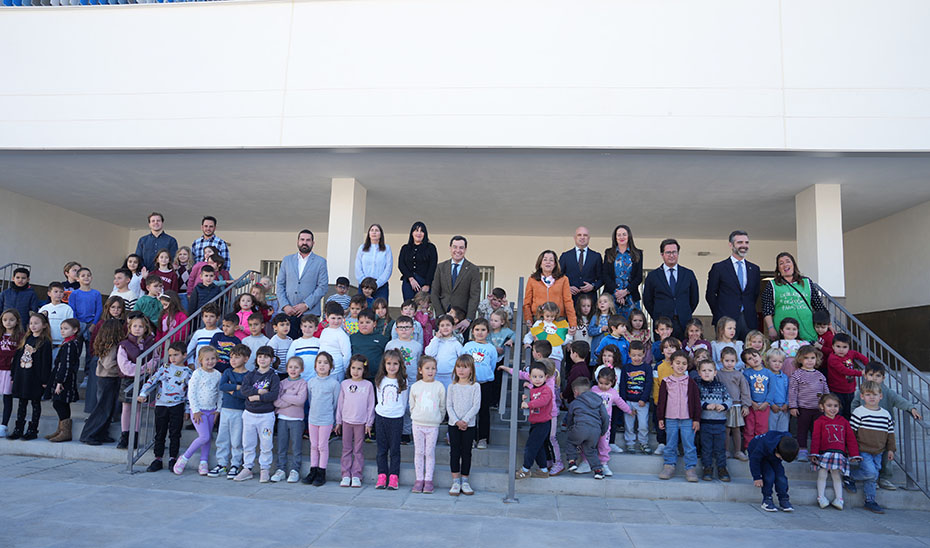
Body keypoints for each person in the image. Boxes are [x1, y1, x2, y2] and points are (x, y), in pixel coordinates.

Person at [851, 361, 922, 490]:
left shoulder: (886, 392)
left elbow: (899, 400)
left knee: (885, 456)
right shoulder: (862, 392)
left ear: (883, 378)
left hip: (883, 429)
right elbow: (854, 405)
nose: (874, 378)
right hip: (866, 429)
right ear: (865, 376)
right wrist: (856, 416)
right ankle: (871, 477)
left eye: (878, 376)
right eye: (871, 375)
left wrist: (911, 408)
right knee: (868, 456)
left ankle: (884, 478)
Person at [138, 341, 191, 472]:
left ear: (184, 355)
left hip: (177, 405)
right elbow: (152, 380)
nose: (172, 358)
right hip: (161, 405)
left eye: (176, 355)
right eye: (170, 355)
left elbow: (191, 393)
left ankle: (173, 458)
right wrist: (143, 392)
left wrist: (187, 409)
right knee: (160, 432)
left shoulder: (188, 372)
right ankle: (158, 459)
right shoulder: (164, 368)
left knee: (175, 433)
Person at [234, 346, 281, 483]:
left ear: (271, 359)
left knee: (266, 443)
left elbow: (273, 394)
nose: (262, 359)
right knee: (248, 442)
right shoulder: (251, 375)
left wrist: (256, 398)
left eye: (266, 357)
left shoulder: (273, 376)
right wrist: (259, 392)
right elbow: (244, 390)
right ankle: (247, 468)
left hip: (266, 416)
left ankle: (264, 469)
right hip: (249, 414)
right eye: (260, 356)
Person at [848, 381, 896, 514]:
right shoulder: (859, 411)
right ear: (862, 396)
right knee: (871, 473)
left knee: (873, 476)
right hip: (863, 450)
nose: (872, 397)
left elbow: (890, 433)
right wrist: (851, 450)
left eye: (875, 394)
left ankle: (870, 500)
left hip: (879, 451)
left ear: (881, 396)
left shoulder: (885, 414)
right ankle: (850, 475)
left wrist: (891, 449)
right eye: (868, 395)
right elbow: (852, 432)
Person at [173, 346, 222, 476]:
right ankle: (184, 458)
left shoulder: (217, 374)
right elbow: (192, 392)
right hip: (199, 410)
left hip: (211, 410)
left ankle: (203, 462)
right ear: (200, 360)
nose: (210, 361)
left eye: (213, 358)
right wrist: (195, 410)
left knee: (208, 437)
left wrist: (218, 409)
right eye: (207, 359)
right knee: (204, 436)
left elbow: (220, 393)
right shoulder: (197, 373)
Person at [706, 230, 761, 340]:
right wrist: (720, 314)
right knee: (727, 354)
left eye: (746, 242)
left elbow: (754, 294)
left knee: (749, 353)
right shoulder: (719, 268)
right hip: (725, 321)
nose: (744, 246)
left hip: (748, 320)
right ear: (731, 245)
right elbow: (710, 295)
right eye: (740, 242)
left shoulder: (754, 269)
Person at [762, 251, 826, 343]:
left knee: (809, 356)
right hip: (784, 333)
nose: (785, 265)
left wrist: (828, 323)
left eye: (788, 261)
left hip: (807, 331)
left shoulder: (807, 282)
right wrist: (771, 328)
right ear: (778, 268)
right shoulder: (772, 285)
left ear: (793, 264)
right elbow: (767, 309)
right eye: (781, 263)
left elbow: (818, 305)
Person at [657, 350, 701, 481]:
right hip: (670, 418)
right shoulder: (666, 381)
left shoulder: (691, 382)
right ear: (671, 364)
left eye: (684, 363)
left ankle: (690, 468)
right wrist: (660, 418)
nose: (680, 366)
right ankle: (669, 466)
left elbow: (696, 402)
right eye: (677, 363)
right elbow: (661, 402)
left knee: (689, 444)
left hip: (688, 419)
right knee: (670, 443)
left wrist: (696, 419)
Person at [642, 239, 699, 340]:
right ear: (662, 254)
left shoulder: (688, 274)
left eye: (674, 252)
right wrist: (658, 315)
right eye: (668, 252)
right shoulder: (653, 276)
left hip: (684, 323)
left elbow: (694, 299)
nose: (671, 255)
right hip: (662, 324)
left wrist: (684, 312)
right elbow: (647, 300)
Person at [810, 393, 859, 510]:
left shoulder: (843, 421)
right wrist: (814, 453)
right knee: (822, 474)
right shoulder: (819, 421)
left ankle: (839, 499)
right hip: (824, 453)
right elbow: (816, 438)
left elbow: (850, 439)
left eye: (835, 406)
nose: (833, 409)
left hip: (838, 453)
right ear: (822, 407)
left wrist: (854, 454)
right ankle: (821, 497)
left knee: (836, 475)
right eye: (829, 405)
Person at [277, 230, 329, 339]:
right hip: (288, 313)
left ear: (313, 243)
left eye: (308, 240)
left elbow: (322, 286)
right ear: (297, 241)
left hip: (309, 313)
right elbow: (280, 284)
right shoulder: (287, 260)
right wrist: (285, 305)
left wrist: (306, 305)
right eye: (302, 239)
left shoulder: (320, 262)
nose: (305, 242)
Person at [8, 313, 52, 441]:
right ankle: (18, 429)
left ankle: (32, 429)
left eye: (36, 323)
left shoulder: (45, 342)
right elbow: (17, 358)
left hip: (35, 378)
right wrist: (13, 374)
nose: (33, 326)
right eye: (31, 323)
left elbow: (46, 363)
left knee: (35, 403)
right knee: (22, 403)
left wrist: (44, 380)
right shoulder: (26, 339)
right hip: (22, 376)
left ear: (44, 325)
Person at [79, 319, 123, 445]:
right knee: (102, 409)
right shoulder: (112, 346)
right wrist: (121, 367)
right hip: (108, 378)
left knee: (107, 409)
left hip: (106, 378)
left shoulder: (106, 344)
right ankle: (89, 435)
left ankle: (101, 434)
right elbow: (109, 364)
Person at [116, 314, 156, 450]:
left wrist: (148, 368)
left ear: (145, 329)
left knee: (138, 408)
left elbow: (155, 359)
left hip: (143, 380)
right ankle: (124, 435)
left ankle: (135, 435)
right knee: (126, 407)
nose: (137, 329)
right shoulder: (124, 344)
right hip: (128, 380)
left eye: (140, 326)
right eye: (135, 326)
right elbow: (125, 366)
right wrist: (143, 368)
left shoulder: (151, 343)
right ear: (129, 327)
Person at [336, 356, 375, 488]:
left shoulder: (368, 385)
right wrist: (338, 421)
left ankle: (356, 475)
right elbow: (340, 404)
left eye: (359, 368)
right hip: (346, 421)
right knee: (346, 449)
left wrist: (369, 423)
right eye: (353, 368)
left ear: (364, 370)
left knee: (358, 450)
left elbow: (371, 405)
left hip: (361, 422)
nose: (356, 371)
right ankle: (345, 474)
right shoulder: (344, 384)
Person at [408, 355, 445, 494]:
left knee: (429, 452)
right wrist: (415, 416)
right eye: (427, 368)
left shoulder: (439, 386)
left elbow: (442, 406)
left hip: (432, 425)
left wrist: (438, 419)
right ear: (420, 370)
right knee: (419, 452)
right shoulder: (416, 387)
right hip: (417, 424)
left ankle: (428, 480)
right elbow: (412, 405)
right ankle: (419, 479)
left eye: (433, 368)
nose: (430, 371)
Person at [212, 344, 249, 479]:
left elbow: (245, 393)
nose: (233, 360)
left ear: (245, 359)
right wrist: (237, 387)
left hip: (239, 411)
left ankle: (235, 464)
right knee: (222, 437)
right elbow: (222, 386)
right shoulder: (227, 372)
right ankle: (221, 464)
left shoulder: (248, 375)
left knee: (236, 439)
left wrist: (232, 390)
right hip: (225, 410)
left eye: (237, 357)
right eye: (231, 357)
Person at [385, 315, 423, 445]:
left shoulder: (417, 346)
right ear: (396, 330)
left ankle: (406, 432)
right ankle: (393, 432)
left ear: (412, 329)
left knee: (407, 407)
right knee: (395, 405)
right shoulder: (391, 344)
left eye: (407, 327)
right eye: (401, 328)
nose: (404, 330)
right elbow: (386, 362)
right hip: (394, 380)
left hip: (411, 380)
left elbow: (418, 363)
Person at [304, 352, 341, 486]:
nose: (322, 365)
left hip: (326, 419)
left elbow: (336, 403)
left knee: (322, 446)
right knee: (313, 445)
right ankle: (313, 470)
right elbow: (310, 399)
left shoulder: (334, 384)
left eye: (325, 363)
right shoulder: (312, 382)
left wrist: (335, 420)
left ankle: (321, 472)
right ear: (315, 365)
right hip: (313, 419)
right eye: (319, 362)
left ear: (330, 366)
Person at [788, 345, 829, 461]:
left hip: (818, 408)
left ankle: (816, 451)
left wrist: (826, 405)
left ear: (817, 359)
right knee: (802, 430)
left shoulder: (820, 375)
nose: (810, 361)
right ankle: (802, 450)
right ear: (800, 359)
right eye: (806, 358)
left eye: (812, 358)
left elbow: (825, 390)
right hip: (803, 408)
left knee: (817, 431)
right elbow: (792, 391)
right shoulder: (797, 374)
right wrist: (793, 406)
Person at [374, 349, 408, 490]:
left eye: (395, 364)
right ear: (384, 364)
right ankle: (382, 476)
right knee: (381, 449)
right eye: (389, 363)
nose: (392, 367)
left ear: (400, 365)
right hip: (381, 417)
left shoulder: (402, 381)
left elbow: (404, 402)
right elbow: (379, 399)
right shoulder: (380, 379)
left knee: (394, 449)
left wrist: (398, 413)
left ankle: (394, 477)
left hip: (396, 419)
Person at [447, 354, 481, 495]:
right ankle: (455, 481)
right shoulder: (452, 386)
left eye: (465, 367)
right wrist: (457, 421)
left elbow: (476, 405)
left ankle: (465, 481)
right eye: (459, 367)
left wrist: (465, 420)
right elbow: (449, 405)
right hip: (453, 424)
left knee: (466, 452)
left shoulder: (475, 386)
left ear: (471, 370)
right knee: (455, 451)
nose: (461, 370)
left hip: (469, 425)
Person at [565, 377, 610, 480]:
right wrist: (602, 431)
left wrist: (570, 428)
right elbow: (605, 417)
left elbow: (570, 418)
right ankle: (598, 471)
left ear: (576, 392)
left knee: (571, 442)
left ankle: (572, 462)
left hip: (580, 428)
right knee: (590, 451)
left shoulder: (574, 403)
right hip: (595, 431)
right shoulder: (599, 401)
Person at [43, 318, 81, 443]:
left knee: (59, 402)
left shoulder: (70, 345)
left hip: (65, 379)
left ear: (74, 330)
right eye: (61, 328)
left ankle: (65, 431)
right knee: (61, 403)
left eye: (66, 328)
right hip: (61, 376)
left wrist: (60, 382)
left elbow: (66, 364)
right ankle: (61, 429)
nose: (62, 331)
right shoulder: (67, 343)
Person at [431, 236, 481, 328]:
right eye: (455, 247)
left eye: (461, 247)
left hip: (462, 320)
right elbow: (434, 293)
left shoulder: (473, 270)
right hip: (442, 317)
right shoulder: (440, 267)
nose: (458, 250)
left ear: (465, 249)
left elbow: (474, 296)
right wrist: (441, 315)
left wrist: (469, 319)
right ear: (450, 248)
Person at [272, 356, 308, 484]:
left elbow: (300, 401)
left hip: (297, 420)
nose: (293, 370)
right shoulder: (282, 383)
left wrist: (285, 396)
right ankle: (281, 469)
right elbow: (276, 402)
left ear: (302, 369)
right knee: (282, 446)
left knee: (296, 447)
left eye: (296, 367)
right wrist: (292, 398)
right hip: (282, 418)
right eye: (290, 367)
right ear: (286, 369)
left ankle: (295, 470)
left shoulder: (303, 383)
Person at [462, 318, 496, 451]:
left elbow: (492, 365)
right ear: (472, 331)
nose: (480, 333)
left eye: (483, 330)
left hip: (484, 383)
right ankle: (470, 437)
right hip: (469, 383)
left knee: (483, 411)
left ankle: (483, 438)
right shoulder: (467, 346)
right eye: (477, 330)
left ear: (488, 332)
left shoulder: (490, 348)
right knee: (469, 411)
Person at [589, 368, 631, 475]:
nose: (603, 386)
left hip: (605, 424)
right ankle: (587, 462)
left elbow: (621, 403)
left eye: (606, 384)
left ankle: (603, 463)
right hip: (592, 423)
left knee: (604, 444)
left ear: (613, 383)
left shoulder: (613, 393)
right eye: (600, 383)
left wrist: (629, 410)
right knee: (590, 443)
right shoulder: (593, 390)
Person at [515, 362, 553, 479]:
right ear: (530, 377)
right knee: (538, 447)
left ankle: (526, 469)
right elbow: (533, 395)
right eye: (534, 377)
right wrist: (526, 397)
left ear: (546, 377)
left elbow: (542, 401)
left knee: (531, 447)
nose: (537, 379)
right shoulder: (534, 389)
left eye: (540, 377)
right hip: (535, 423)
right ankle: (543, 470)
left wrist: (529, 404)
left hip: (543, 424)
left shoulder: (546, 390)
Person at [696, 359, 732, 481]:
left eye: (710, 370)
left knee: (720, 448)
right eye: (704, 370)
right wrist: (705, 405)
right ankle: (707, 468)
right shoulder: (698, 386)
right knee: (706, 448)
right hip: (705, 423)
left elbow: (728, 399)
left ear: (715, 372)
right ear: (699, 373)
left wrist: (724, 406)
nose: (707, 373)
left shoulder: (721, 386)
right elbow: (695, 401)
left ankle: (722, 468)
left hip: (720, 423)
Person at [523, 250, 577, 329]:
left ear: (555, 264)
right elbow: (527, 302)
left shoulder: (563, 279)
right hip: (539, 319)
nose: (548, 262)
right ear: (540, 263)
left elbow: (568, 301)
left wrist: (572, 323)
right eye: (545, 260)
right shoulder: (532, 279)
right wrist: (528, 318)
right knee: (540, 341)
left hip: (558, 319)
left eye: (551, 260)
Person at [748, 430, 799, 512]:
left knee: (781, 477)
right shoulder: (763, 444)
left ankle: (784, 499)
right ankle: (767, 500)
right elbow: (754, 460)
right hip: (760, 456)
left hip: (772, 455)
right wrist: (757, 477)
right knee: (769, 476)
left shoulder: (787, 442)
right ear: (776, 449)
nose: (781, 459)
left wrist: (779, 456)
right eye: (781, 457)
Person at [601, 224, 643, 319]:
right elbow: (605, 275)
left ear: (629, 236)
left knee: (632, 326)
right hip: (612, 296)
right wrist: (617, 292)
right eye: (618, 235)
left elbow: (639, 276)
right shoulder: (609, 253)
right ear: (615, 237)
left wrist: (626, 291)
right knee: (613, 326)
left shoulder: (638, 253)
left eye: (624, 234)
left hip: (631, 296)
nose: (621, 237)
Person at [717, 347, 750, 461]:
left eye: (732, 361)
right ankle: (725, 450)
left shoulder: (739, 374)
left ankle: (738, 451)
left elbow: (744, 390)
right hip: (723, 406)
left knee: (736, 429)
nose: (729, 363)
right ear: (721, 360)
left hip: (736, 405)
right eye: (727, 361)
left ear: (736, 361)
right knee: (725, 429)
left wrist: (745, 405)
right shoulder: (718, 374)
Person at [619, 341, 653, 454]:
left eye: (639, 355)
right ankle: (630, 443)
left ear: (644, 354)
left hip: (642, 402)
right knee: (629, 424)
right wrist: (623, 402)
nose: (636, 358)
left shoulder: (647, 368)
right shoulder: (626, 368)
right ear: (629, 354)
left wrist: (643, 399)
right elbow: (622, 385)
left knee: (643, 424)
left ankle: (643, 442)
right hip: (628, 401)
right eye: (633, 355)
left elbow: (649, 384)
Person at [825, 333, 867, 421]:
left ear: (848, 347)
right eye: (838, 346)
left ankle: (847, 430)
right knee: (838, 412)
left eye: (844, 347)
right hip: (837, 391)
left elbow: (857, 354)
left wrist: (867, 364)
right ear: (833, 346)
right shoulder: (833, 358)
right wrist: (860, 373)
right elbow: (844, 370)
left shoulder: (849, 354)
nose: (841, 349)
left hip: (850, 390)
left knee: (849, 412)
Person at [559, 226, 603, 305]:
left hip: (590, 301)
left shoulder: (596, 256)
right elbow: (558, 276)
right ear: (575, 238)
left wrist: (593, 286)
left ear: (589, 238)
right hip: (570, 300)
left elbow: (602, 278)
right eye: (579, 235)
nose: (582, 237)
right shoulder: (565, 256)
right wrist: (567, 288)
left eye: (585, 235)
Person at [397, 221, 438, 302]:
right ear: (412, 233)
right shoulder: (405, 248)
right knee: (409, 307)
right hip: (409, 283)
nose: (419, 233)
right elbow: (401, 265)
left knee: (423, 308)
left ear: (425, 234)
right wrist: (411, 279)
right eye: (416, 230)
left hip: (424, 283)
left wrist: (427, 284)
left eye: (421, 231)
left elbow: (432, 266)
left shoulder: (430, 247)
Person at [0, 309, 24, 438]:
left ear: (17, 321)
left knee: (7, 398)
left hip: (9, 371)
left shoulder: (20, 336)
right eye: (5, 320)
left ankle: (3, 425)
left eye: (11, 320)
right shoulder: (0, 334)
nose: (8, 322)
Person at [741, 348, 771, 450]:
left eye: (755, 356)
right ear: (746, 363)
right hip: (751, 406)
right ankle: (748, 448)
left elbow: (772, 390)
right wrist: (751, 402)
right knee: (749, 428)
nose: (754, 359)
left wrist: (766, 402)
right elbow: (745, 389)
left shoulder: (768, 373)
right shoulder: (746, 373)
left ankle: (761, 448)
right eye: (749, 358)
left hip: (764, 406)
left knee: (762, 428)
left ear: (760, 356)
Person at [355, 223, 393, 301]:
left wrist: (377, 284)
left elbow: (388, 268)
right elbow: (358, 266)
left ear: (381, 234)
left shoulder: (386, 249)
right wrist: (365, 284)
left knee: (380, 310)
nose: (374, 232)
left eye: (377, 230)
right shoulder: (362, 248)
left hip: (380, 286)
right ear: (369, 234)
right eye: (372, 230)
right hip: (364, 286)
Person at [425, 314, 464, 390]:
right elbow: (429, 353)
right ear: (439, 328)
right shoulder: (436, 341)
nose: (445, 328)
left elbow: (462, 358)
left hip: (451, 376)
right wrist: (436, 338)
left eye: (448, 325)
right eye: (442, 326)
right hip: (436, 375)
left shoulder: (456, 344)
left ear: (453, 327)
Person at [319, 302, 352, 383]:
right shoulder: (324, 331)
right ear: (327, 317)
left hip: (336, 371)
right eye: (333, 318)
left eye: (339, 318)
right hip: (322, 369)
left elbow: (347, 355)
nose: (336, 321)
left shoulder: (342, 335)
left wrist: (345, 371)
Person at [39, 282, 74, 357]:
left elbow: (71, 325)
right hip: (46, 342)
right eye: (56, 292)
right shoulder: (44, 308)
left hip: (61, 343)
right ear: (49, 293)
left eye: (61, 292)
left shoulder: (67, 309)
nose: (59, 294)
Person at [765, 349, 790, 432]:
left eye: (780, 362)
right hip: (771, 407)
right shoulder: (766, 376)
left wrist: (786, 404)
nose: (777, 364)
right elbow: (765, 392)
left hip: (784, 408)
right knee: (771, 430)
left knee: (783, 431)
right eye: (774, 361)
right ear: (767, 361)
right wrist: (771, 404)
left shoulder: (785, 377)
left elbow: (788, 392)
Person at [173, 246, 193, 311]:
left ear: (189, 256)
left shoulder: (191, 268)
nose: (182, 256)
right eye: (180, 254)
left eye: (185, 254)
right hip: (176, 294)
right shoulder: (175, 267)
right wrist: (174, 270)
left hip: (186, 294)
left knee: (185, 312)